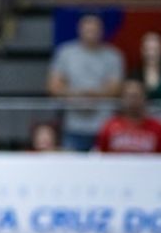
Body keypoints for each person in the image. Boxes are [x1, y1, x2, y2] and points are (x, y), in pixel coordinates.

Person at [47, 14, 125, 151]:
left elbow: (116, 88)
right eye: (87, 29)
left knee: (107, 170)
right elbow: (53, 87)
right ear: (79, 30)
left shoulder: (113, 55)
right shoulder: (66, 53)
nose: (91, 33)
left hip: (104, 126)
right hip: (73, 125)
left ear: (101, 31)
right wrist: (77, 95)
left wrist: (92, 95)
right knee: (72, 169)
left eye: (94, 30)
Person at [95, 80, 161, 154]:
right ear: (122, 98)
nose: (133, 100)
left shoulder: (159, 128)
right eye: (129, 96)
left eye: (136, 96)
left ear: (145, 98)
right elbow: (101, 156)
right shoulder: (109, 126)